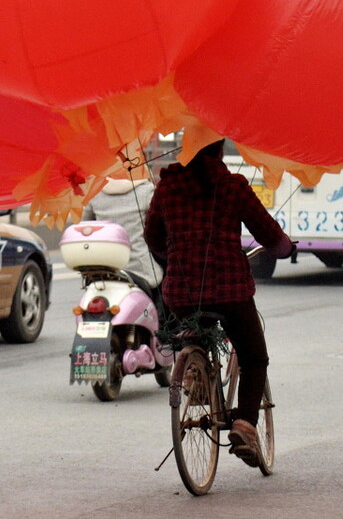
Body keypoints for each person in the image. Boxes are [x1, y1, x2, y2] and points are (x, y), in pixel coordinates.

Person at [144, 139, 292, 469]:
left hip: (182, 294)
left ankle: (196, 372)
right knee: (254, 358)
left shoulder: (167, 187)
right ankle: (243, 426)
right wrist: (285, 249)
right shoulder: (232, 185)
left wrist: (173, 258)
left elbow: (152, 237)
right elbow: (269, 234)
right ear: (220, 151)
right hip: (231, 291)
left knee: (194, 332)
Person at [83, 173, 162, 304]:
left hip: (105, 270)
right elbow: (158, 227)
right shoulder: (146, 191)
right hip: (142, 271)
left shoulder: (95, 193)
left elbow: (85, 227)